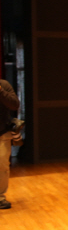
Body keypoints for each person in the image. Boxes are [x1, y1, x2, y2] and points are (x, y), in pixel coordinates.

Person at [0, 79, 20, 210]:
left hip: (2, 132)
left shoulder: (4, 85)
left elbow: (14, 104)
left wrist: (1, 91)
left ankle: (0, 197)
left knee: (2, 166)